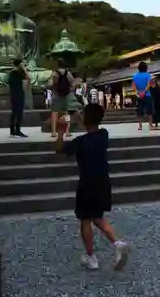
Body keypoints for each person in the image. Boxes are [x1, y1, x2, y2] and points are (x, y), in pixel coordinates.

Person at [55, 104, 129, 271]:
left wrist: (60, 130)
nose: (79, 114)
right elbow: (91, 128)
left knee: (85, 219)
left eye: (81, 113)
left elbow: (59, 148)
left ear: (85, 119)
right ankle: (118, 243)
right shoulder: (104, 135)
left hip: (87, 183)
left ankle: (91, 257)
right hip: (103, 181)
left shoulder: (80, 142)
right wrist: (81, 118)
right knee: (97, 216)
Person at [50, 58, 75, 137]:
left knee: (54, 112)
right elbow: (72, 83)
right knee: (67, 113)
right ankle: (67, 131)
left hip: (56, 95)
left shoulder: (55, 73)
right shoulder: (68, 73)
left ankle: (53, 131)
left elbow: (53, 84)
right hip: (66, 95)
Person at [7, 59, 30, 137]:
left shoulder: (16, 73)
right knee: (17, 113)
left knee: (15, 113)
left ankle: (14, 131)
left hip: (17, 94)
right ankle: (16, 130)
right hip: (17, 95)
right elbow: (28, 77)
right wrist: (24, 69)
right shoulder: (15, 73)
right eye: (22, 64)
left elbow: (27, 78)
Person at [132, 61, 154, 130]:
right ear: (146, 68)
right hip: (147, 95)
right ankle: (150, 125)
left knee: (139, 110)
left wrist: (138, 92)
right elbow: (149, 85)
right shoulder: (148, 75)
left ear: (139, 68)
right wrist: (144, 92)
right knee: (149, 111)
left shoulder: (135, 76)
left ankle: (140, 126)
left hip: (138, 95)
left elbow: (134, 86)